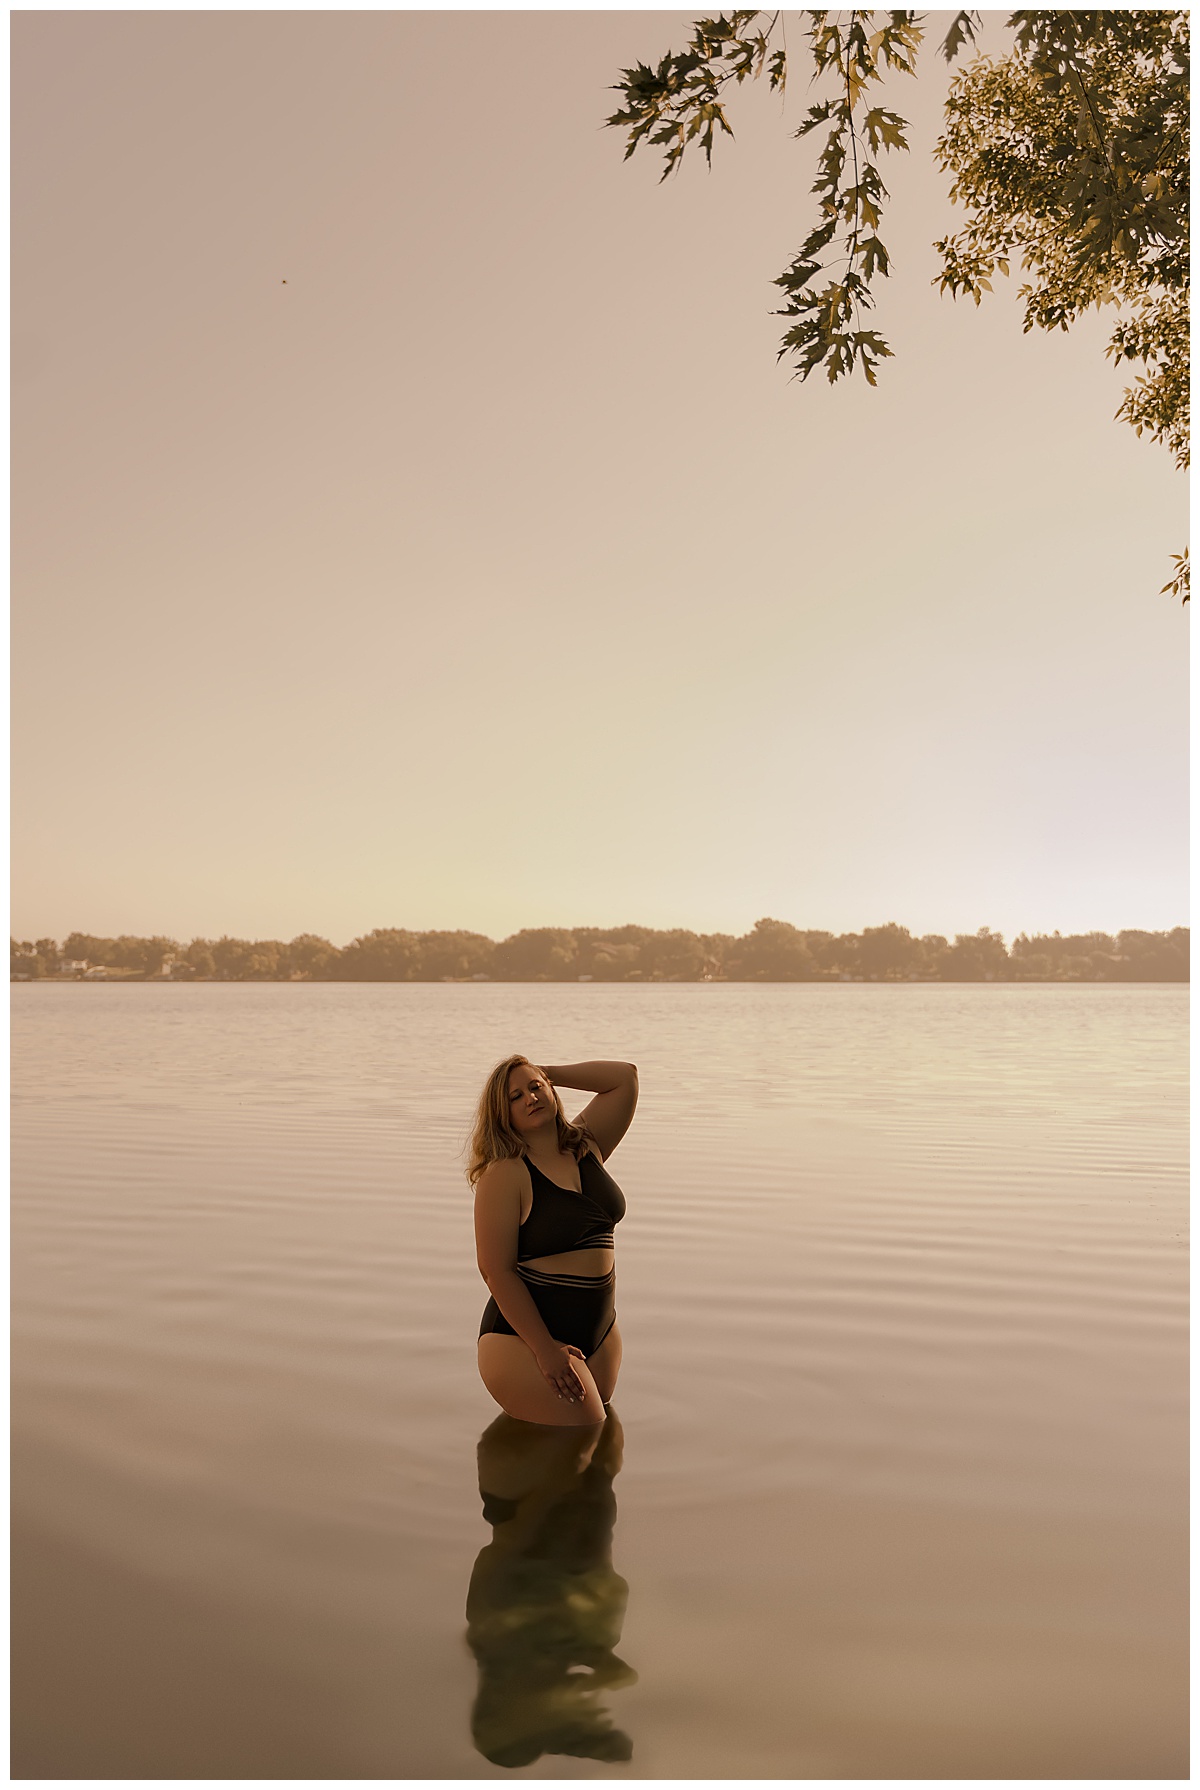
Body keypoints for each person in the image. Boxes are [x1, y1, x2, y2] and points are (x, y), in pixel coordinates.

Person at [470, 1057, 638, 1425]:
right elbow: (495, 1271)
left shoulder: (587, 1144)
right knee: (585, 1436)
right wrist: (545, 1351)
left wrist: (550, 1073)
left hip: (599, 1332)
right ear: (502, 1113)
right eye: (515, 1097)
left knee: (599, 1462)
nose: (530, 1098)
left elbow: (624, 1078)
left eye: (535, 1087)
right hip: (522, 1340)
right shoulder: (504, 1173)